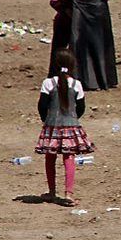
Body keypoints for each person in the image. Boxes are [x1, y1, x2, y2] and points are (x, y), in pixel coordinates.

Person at [35, 48, 93, 206]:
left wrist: (45, 120)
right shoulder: (77, 84)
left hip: (52, 125)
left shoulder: (48, 83)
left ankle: (52, 191)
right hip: (71, 124)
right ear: (73, 65)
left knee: (50, 157)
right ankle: (68, 193)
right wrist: (73, 119)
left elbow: (42, 105)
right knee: (69, 157)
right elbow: (81, 107)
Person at [47, 0, 76, 78]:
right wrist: (65, 11)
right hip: (63, 22)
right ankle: (55, 73)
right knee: (59, 49)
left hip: (70, 22)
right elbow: (54, 1)